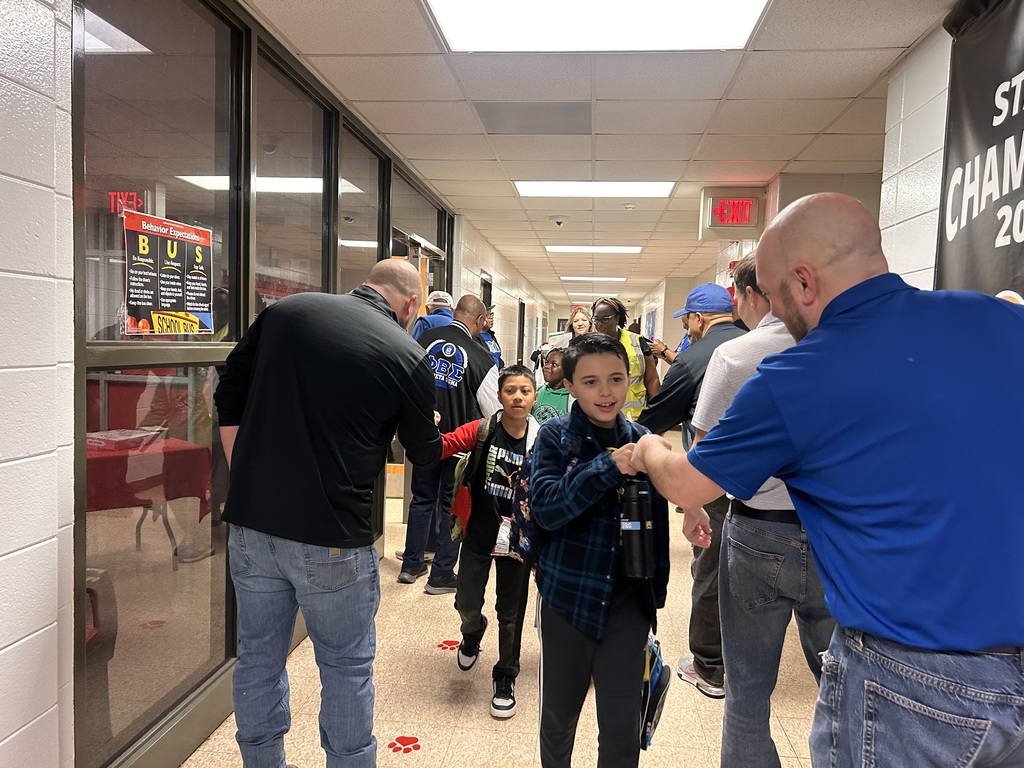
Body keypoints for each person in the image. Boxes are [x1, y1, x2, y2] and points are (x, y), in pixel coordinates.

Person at [630, 193, 1024, 768]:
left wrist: (647, 448)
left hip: (910, 682)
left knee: (748, 694)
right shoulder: (1001, 320)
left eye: (775, 295)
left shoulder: (798, 374)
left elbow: (689, 486)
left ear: (803, 281)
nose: (774, 313)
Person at [213, 258, 440, 768]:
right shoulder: (407, 355)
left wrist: (243, 472)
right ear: (410, 304)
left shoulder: (286, 312)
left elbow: (229, 390)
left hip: (253, 526)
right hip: (333, 537)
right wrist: (425, 420)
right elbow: (424, 454)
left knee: (258, 659)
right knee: (345, 668)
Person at [686, 253, 835, 766]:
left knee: (747, 692)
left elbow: (704, 457)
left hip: (757, 532)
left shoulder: (735, 357)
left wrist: (692, 509)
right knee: (840, 682)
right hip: (832, 536)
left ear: (752, 294)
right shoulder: (838, 347)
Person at [530, 332, 670, 768]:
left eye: (615, 378)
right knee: (559, 716)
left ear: (629, 379)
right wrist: (607, 467)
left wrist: (654, 597)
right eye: (590, 382)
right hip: (567, 598)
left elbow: (658, 520)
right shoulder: (555, 437)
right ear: (569, 386)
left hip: (628, 602)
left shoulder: (644, 438)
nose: (606, 392)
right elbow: (546, 509)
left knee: (623, 726)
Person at [636, 283, 745, 700]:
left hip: (715, 480)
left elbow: (656, 416)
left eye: (687, 321)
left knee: (711, 568)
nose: (687, 327)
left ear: (698, 318)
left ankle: (709, 667)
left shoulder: (697, 357)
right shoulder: (758, 342)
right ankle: (744, 665)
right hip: (772, 487)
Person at [440, 364, 539, 719]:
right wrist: (423, 425)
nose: (517, 397)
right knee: (466, 601)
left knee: (510, 611)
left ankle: (505, 676)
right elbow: (443, 445)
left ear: (534, 397)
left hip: (517, 542)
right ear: (499, 396)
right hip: (479, 535)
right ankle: (472, 631)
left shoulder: (541, 440)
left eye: (524, 391)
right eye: (510, 390)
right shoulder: (483, 431)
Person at [400, 295, 501, 594]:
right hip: (458, 445)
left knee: (420, 500)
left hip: (425, 439)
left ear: (455, 312)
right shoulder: (481, 356)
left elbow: (404, 382)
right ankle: (441, 574)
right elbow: (494, 410)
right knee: (450, 507)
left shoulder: (423, 340)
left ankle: (411, 564)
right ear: (480, 320)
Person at [590, 297, 660, 420]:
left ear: (617, 318)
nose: (600, 324)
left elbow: (652, 379)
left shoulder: (637, 342)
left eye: (605, 319)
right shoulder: (588, 345)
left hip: (635, 417)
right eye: (596, 319)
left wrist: (656, 412)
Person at [531, 347, 573, 423]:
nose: (547, 366)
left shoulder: (572, 398)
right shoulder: (537, 391)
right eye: (546, 363)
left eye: (554, 364)